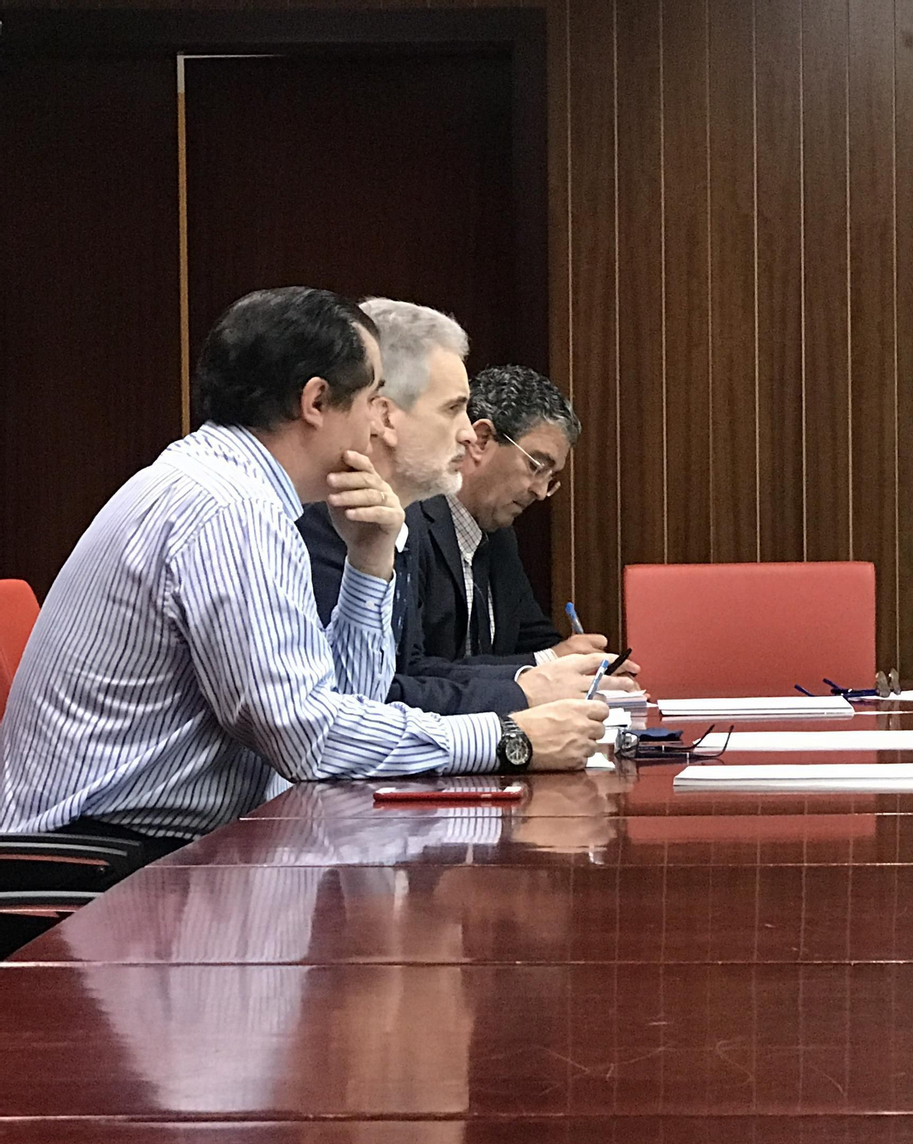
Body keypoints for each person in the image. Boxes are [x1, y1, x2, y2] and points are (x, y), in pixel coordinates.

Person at [0, 287, 608, 859]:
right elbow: (307, 739)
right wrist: (507, 738)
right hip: (96, 864)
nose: (378, 425)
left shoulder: (237, 490)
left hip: (159, 848)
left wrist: (370, 561)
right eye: (372, 400)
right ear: (316, 402)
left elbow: (345, 704)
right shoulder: (231, 509)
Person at [296, 299, 632, 716]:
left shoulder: (394, 519)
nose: (465, 434)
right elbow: (357, 705)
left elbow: (378, 688)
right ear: (383, 416)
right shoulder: (323, 516)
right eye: (453, 409)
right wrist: (522, 698)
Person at [413, 364, 585, 664]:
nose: (541, 492)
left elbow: (533, 639)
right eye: (536, 466)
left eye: (551, 477)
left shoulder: (499, 536)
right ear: (480, 440)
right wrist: (545, 663)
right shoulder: (410, 523)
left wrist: (584, 665)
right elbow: (412, 672)